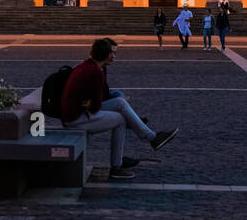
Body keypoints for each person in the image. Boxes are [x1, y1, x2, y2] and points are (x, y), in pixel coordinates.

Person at [60, 38, 178, 180]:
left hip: (76, 112)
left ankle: (146, 138)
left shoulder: (89, 66)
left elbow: (95, 101)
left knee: (120, 103)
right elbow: (95, 107)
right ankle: (120, 162)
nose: (114, 57)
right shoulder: (96, 72)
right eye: (112, 53)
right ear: (106, 54)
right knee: (121, 116)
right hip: (76, 118)